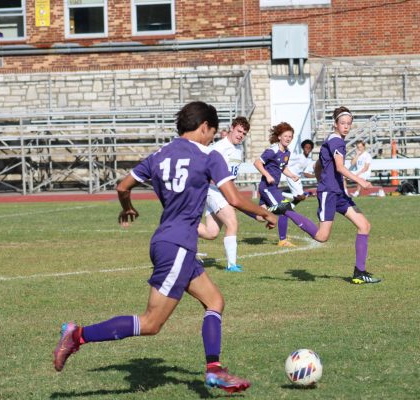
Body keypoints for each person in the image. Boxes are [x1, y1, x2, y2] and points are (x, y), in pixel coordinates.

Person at [52, 101, 277, 394]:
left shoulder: (158, 155)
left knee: (215, 302)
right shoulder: (209, 156)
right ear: (204, 127)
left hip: (167, 241)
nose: (212, 137)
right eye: (212, 131)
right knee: (151, 323)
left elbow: (122, 186)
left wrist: (128, 208)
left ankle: (214, 369)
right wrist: (265, 212)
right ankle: (77, 335)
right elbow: (234, 198)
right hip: (179, 245)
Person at [263, 109, 381, 284]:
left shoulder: (332, 140)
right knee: (321, 236)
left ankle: (359, 272)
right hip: (330, 193)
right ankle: (287, 210)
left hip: (338, 192)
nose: (346, 127)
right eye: (343, 123)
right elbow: (340, 168)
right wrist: (361, 182)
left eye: (349, 123)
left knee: (364, 225)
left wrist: (321, 181)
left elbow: (318, 164)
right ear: (335, 124)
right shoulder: (337, 142)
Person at [198, 117, 251, 272]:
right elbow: (207, 170)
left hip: (223, 191)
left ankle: (183, 227)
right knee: (232, 223)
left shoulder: (239, 149)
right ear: (231, 128)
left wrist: (231, 193)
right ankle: (232, 265)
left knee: (211, 232)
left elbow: (230, 176)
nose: (241, 135)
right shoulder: (219, 148)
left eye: (244, 133)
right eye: (239, 131)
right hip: (213, 190)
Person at [254, 122, 302, 247]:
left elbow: (282, 167)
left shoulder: (287, 152)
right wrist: (267, 175)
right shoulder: (272, 150)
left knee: (261, 216)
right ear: (279, 136)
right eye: (285, 136)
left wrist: (292, 175)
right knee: (284, 208)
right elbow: (257, 163)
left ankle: (245, 209)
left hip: (272, 188)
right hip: (267, 188)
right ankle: (282, 240)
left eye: (290, 137)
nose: (288, 138)